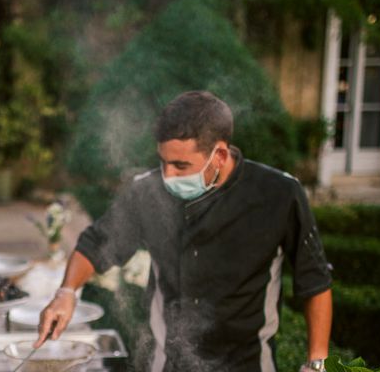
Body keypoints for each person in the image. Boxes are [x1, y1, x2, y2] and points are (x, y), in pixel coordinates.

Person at [36, 91, 332, 372]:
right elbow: (96, 244)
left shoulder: (278, 194)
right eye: (163, 162)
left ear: (219, 154)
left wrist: (316, 362)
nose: (168, 176)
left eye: (180, 165)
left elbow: (314, 281)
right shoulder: (146, 192)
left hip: (248, 364)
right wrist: (66, 292)